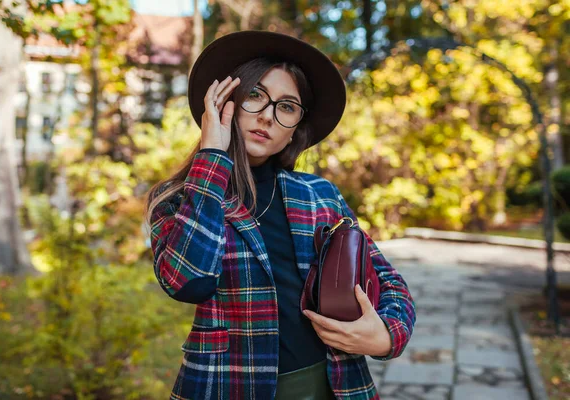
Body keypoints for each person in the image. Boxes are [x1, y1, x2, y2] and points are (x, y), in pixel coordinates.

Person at [146, 31, 416, 400]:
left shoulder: (319, 195)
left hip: (336, 385)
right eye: (255, 96)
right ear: (225, 102)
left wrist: (387, 334)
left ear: (294, 132)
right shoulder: (177, 199)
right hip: (227, 387)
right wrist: (212, 155)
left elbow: (388, 281)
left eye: (286, 107)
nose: (268, 117)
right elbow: (187, 280)